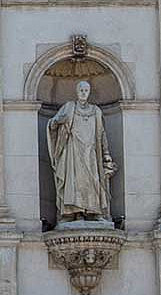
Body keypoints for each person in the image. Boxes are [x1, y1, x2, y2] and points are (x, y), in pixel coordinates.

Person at [47, 80, 116, 223]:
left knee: (93, 181)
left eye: (86, 90)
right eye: (81, 90)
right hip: (73, 150)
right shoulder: (69, 107)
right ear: (77, 92)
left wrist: (106, 153)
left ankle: (94, 212)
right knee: (74, 181)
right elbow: (52, 125)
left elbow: (101, 134)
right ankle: (75, 212)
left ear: (89, 92)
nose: (84, 93)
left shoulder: (96, 111)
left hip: (91, 152)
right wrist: (58, 121)